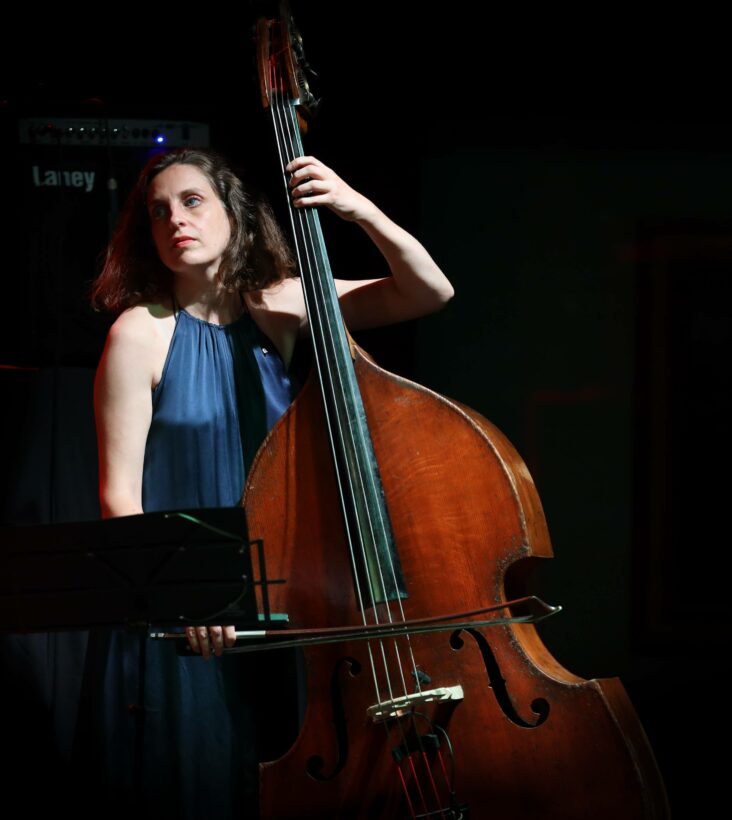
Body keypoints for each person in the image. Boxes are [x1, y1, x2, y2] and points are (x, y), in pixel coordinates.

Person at [75, 147, 453, 818]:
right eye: (159, 212)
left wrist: (352, 206)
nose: (174, 220)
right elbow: (120, 499)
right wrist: (182, 601)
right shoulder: (139, 334)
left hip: (286, 605)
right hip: (182, 615)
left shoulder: (282, 306)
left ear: (235, 215)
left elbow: (428, 290)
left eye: (192, 202)